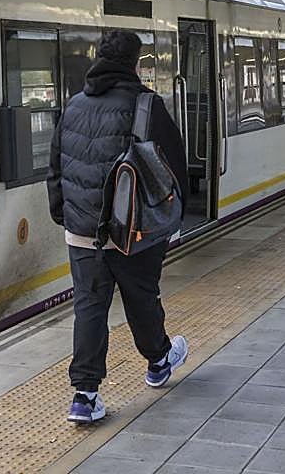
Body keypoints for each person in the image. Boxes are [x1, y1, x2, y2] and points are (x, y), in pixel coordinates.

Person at [47, 29, 190, 424]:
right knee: (141, 298)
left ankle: (85, 396)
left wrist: (64, 215)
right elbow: (174, 170)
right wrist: (173, 217)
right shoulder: (147, 106)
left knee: (89, 307)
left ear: (97, 57)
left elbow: (55, 168)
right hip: (134, 230)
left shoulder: (73, 106)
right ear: (136, 63)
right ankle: (159, 361)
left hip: (82, 232)